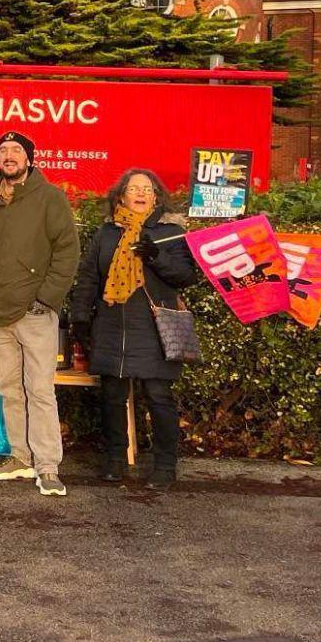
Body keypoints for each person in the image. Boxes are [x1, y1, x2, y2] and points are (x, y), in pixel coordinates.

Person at [0, 130, 80, 497]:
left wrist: (46, 298)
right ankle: (20, 457)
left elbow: (67, 251)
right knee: (10, 389)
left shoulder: (50, 198)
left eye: (16, 150)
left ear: (29, 157)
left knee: (40, 389)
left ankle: (48, 466)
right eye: (3, 151)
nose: (9, 156)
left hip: (35, 311)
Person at [69, 169, 199, 489]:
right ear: (121, 195)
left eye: (148, 188)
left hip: (154, 327)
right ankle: (114, 459)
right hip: (112, 325)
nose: (141, 193)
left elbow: (185, 276)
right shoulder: (107, 233)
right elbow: (89, 277)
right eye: (133, 188)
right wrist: (81, 317)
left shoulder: (169, 232)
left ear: (156, 196)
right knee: (112, 396)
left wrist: (155, 256)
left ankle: (165, 466)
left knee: (158, 396)